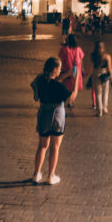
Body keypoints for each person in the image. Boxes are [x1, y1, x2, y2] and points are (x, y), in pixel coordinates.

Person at [30, 57, 77, 185]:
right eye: (59, 68)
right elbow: (71, 98)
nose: (61, 70)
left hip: (43, 114)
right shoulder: (59, 86)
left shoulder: (40, 80)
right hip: (57, 117)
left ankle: (36, 174)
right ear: (55, 69)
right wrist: (76, 78)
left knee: (42, 145)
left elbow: (49, 84)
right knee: (55, 147)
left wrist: (65, 75)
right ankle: (51, 175)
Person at [89, 40, 112, 117]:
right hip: (104, 74)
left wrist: (88, 76)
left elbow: (91, 67)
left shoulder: (93, 56)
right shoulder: (107, 56)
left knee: (98, 93)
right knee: (105, 92)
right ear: (103, 47)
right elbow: (110, 68)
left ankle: (99, 111)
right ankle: (104, 108)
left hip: (96, 74)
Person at [58, 34, 84, 110]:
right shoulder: (78, 49)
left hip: (67, 71)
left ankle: (67, 100)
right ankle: (70, 102)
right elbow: (81, 61)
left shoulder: (64, 49)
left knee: (67, 87)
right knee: (74, 87)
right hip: (76, 71)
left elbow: (60, 58)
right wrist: (82, 69)